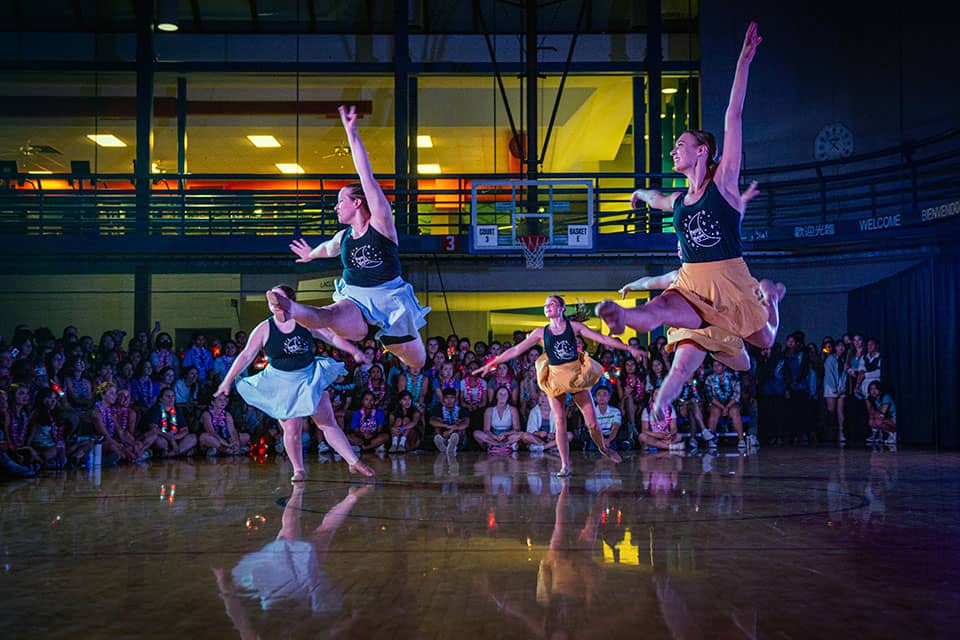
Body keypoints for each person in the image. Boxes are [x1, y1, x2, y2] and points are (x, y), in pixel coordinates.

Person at [596, 22, 785, 421]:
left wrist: (743, 62)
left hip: (730, 282)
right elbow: (658, 198)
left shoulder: (725, 184)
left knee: (765, 339)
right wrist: (639, 195)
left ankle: (772, 300)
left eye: (680, 144)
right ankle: (621, 317)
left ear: (702, 151)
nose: (673, 150)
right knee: (661, 308)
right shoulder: (681, 199)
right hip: (692, 280)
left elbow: (734, 115)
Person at [266, 104, 430, 369]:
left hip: (390, 301)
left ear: (356, 203)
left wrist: (351, 133)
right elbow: (328, 249)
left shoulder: (381, 223)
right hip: (355, 298)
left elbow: (366, 177)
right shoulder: (344, 237)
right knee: (327, 315)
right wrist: (311, 254)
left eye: (340, 200)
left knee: (417, 361)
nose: (335, 206)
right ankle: (288, 307)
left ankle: (403, 348)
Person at [474, 295, 645, 477]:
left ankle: (603, 447)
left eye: (552, 304)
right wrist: (492, 362)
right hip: (555, 378)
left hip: (575, 376)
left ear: (562, 308)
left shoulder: (574, 327)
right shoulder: (541, 332)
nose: (548, 307)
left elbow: (602, 338)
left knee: (592, 423)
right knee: (560, 421)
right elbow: (517, 349)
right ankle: (565, 465)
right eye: (546, 305)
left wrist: (629, 348)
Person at [216, 285, 374, 482]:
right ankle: (298, 470)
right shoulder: (265, 328)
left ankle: (353, 461)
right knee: (292, 429)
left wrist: (354, 351)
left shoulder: (305, 323)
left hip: (308, 377)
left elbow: (332, 336)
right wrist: (227, 381)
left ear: (290, 302)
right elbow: (246, 355)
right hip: (282, 382)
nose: (275, 304)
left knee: (326, 422)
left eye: (279, 299)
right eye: (272, 300)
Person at [474, 385, 523, 452]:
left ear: (508, 396)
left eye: (505, 394)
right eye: (500, 394)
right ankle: (497, 446)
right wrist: (495, 437)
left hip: (507, 437)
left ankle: (502, 446)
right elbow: (486, 430)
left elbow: (517, 429)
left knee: (521, 434)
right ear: (496, 396)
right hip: (493, 437)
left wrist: (505, 434)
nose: (502, 396)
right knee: (476, 433)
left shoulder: (513, 409)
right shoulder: (489, 410)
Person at [866, 381, 897, 447]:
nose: (873, 391)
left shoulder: (886, 396)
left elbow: (882, 413)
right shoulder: (872, 399)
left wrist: (876, 415)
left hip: (894, 418)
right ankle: (883, 435)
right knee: (871, 422)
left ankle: (894, 433)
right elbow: (871, 413)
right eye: (871, 389)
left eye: (875, 389)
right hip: (886, 418)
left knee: (878, 421)